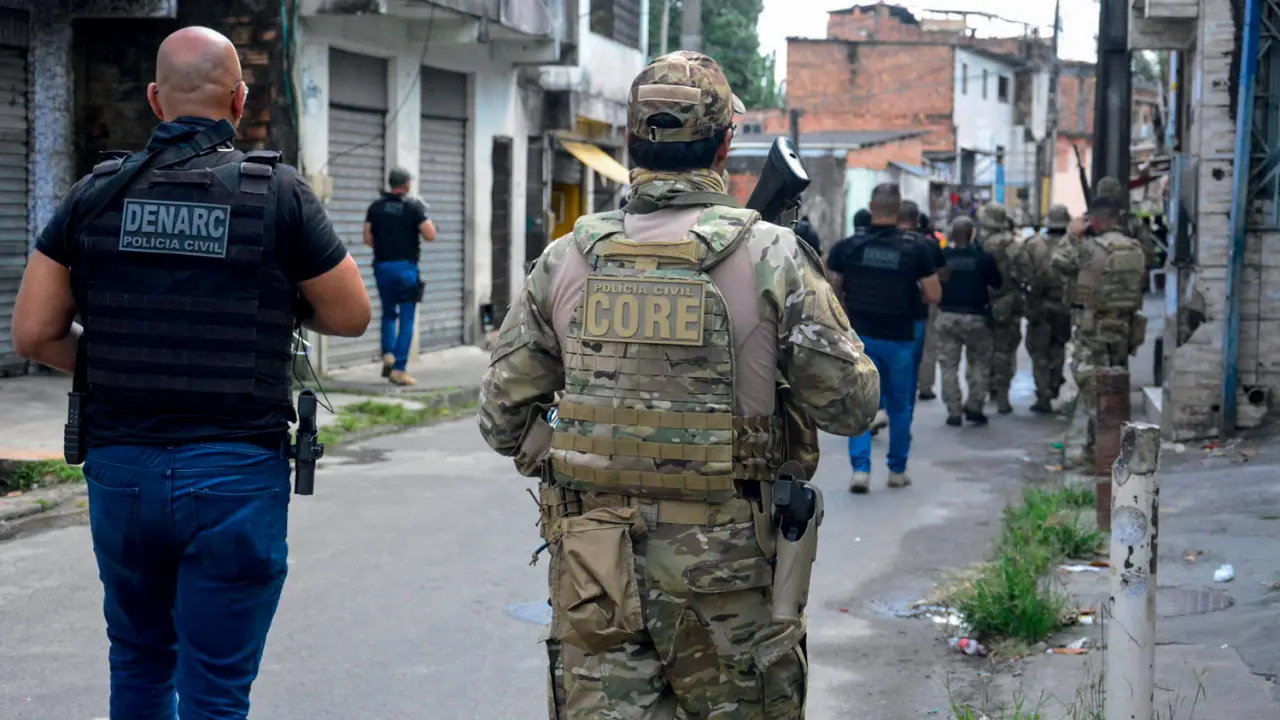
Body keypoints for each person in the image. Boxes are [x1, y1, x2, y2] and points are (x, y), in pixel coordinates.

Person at [477, 50, 879, 718]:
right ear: (725, 144)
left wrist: (584, 459)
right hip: (727, 578)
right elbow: (852, 404)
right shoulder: (772, 256)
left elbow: (501, 419)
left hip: (594, 569)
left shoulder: (566, 258)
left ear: (632, 142)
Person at [10, 26, 371, 719]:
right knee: (215, 693)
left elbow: (33, 332)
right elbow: (350, 315)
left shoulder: (95, 194)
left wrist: (115, 359)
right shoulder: (279, 195)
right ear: (240, 99)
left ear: (154, 99)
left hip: (122, 471)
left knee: (140, 662)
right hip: (234, 473)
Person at [827, 184, 941, 493]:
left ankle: (860, 471)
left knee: (860, 404)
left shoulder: (848, 247)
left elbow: (831, 292)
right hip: (900, 338)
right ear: (899, 208)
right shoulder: (917, 249)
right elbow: (933, 294)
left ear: (871, 207)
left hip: (860, 338)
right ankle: (896, 470)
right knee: (900, 406)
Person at [1051, 195, 1146, 468]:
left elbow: (1058, 262)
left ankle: (1110, 455)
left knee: (1093, 386)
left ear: (1094, 220)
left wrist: (1072, 234)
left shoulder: (1091, 248)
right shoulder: (1134, 248)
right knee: (1113, 384)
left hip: (1094, 328)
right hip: (1124, 328)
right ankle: (1096, 451)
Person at [364, 167, 437, 386]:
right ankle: (398, 369)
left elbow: (367, 238)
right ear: (406, 185)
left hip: (382, 267)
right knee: (406, 318)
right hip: (406, 269)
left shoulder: (375, 208)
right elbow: (430, 234)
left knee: (388, 313)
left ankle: (388, 353)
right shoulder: (413, 208)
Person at [935, 217, 1002, 426]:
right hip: (976, 318)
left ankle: (954, 411)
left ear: (952, 235)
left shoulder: (943, 258)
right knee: (980, 363)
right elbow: (997, 283)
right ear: (972, 234)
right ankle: (974, 406)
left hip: (947, 316)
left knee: (948, 366)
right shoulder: (984, 258)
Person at [1023, 205, 1074, 413]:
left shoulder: (1033, 245)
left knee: (1038, 351)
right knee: (1058, 346)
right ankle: (1054, 381)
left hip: (1039, 306)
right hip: (1063, 305)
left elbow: (1024, 273)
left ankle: (1043, 393)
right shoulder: (1074, 246)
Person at [976, 203, 1025, 415]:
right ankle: (1003, 395)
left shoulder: (979, 242)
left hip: (981, 301)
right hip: (1008, 301)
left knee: (982, 350)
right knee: (1005, 350)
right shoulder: (1012, 244)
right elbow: (1025, 272)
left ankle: (983, 391)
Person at [908, 208, 948, 402]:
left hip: (897, 300)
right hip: (927, 300)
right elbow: (944, 271)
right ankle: (925, 386)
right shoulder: (931, 246)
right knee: (929, 344)